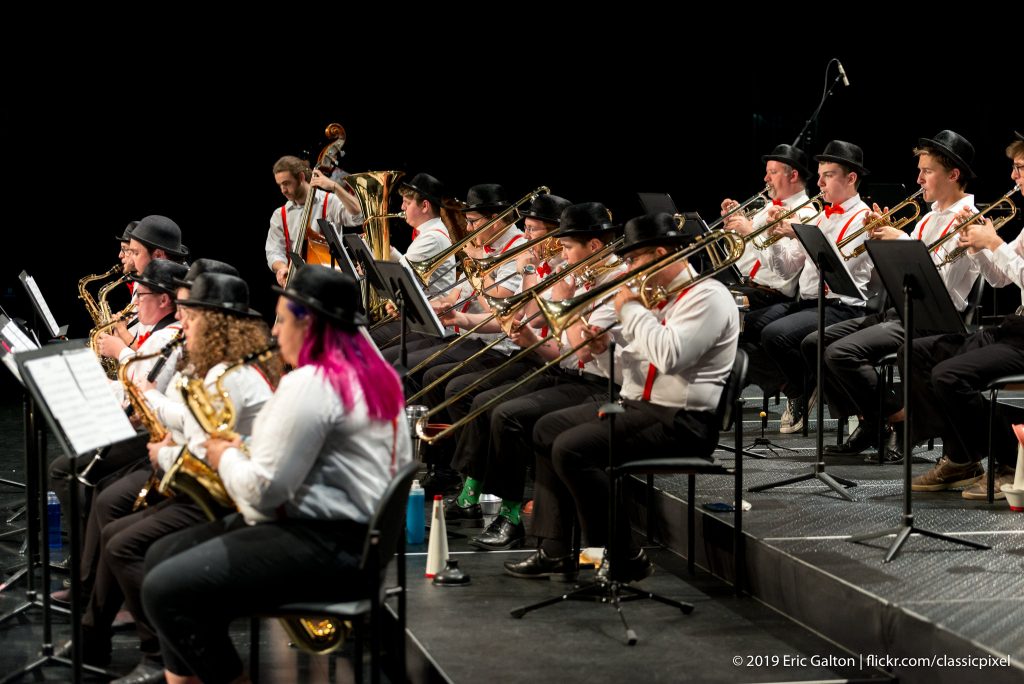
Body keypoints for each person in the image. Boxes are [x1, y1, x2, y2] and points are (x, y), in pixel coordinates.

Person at [142, 265, 411, 683]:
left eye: (282, 319)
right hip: (358, 544)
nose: (273, 331)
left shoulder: (312, 383)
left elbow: (263, 490)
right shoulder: (374, 376)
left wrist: (222, 456)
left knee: (165, 589)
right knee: (161, 557)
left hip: (326, 546)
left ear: (309, 324)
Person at [505, 213, 738, 582]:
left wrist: (629, 309)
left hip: (682, 420)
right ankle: (555, 549)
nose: (628, 269)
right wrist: (601, 349)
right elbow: (630, 374)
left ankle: (614, 558)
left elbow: (669, 355)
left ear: (661, 253)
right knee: (546, 427)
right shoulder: (653, 301)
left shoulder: (708, 296)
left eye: (633, 260)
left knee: (572, 449)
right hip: (636, 406)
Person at [72, 274, 278, 684]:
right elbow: (192, 424)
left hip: (224, 498)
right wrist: (154, 403)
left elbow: (207, 447)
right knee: (115, 527)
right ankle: (131, 643)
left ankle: (172, 650)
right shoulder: (216, 366)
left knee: (123, 542)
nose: (181, 324)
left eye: (190, 316)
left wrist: (165, 445)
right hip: (204, 483)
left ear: (217, 323)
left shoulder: (230, 376)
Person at [815, 130, 980, 458]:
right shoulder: (928, 218)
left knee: (839, 354)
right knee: (814, 342)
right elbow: (899, 272)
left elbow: (939, 282)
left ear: (953, 174)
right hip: (901, 311)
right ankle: (872, 420)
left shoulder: (967, 220)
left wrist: (900, 241)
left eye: (927, 171)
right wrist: (880, 238)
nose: (918, 179)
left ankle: (895, 418)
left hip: (934, 319)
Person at [905, 133, 1024, 499]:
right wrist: (976, 246)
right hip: (1013, 327)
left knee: (948, 376)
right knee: (917, 352)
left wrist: (996, 244)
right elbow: (1000, 277)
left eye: (1020, 169)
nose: (1014, 178)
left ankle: (1008, 461)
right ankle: (961, 457)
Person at [747, 140, 876, 433]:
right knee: (749, 327)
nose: (818, 182)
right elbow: (786, 268)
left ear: (851, 178)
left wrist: (800, 235)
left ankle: (808, 386)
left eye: (827, 175)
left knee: (775, 335)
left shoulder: (863, 218)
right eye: (819, 175)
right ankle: (804, 386)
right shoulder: (821, 216)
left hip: (841, 306)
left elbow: (837, 268)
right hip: (808, 303)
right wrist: (775, 235)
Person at [266, 155, 364, 286]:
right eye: (280, 185)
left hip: (330, 282)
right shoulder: (280, 214)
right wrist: (281, 267)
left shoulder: (330, 201)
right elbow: (274, 250)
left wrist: (335, 187)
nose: (283, 190)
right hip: (298, 284)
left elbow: (359, 218)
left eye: (286, 183)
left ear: (301, 177)